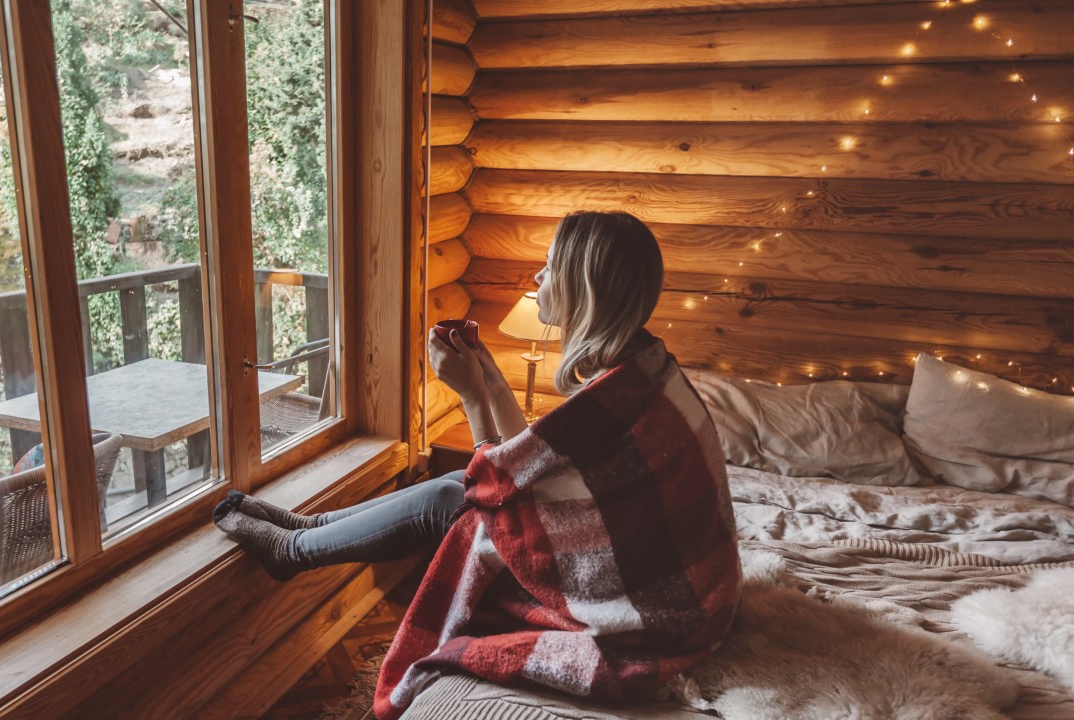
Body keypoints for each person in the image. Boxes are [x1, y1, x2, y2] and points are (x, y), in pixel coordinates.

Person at [215, 211, 741, 718]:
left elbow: (497, 483)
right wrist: (488, 376)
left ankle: (294, 550)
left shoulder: (615, 398)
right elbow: (526, 460)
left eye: (551, 266)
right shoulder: (640, 364)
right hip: (679, 589)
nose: (537, 276)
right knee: (454, 487)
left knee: (455, 498)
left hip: (656, 611)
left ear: (585, 288)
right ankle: (310, 530)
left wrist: (470, 395)